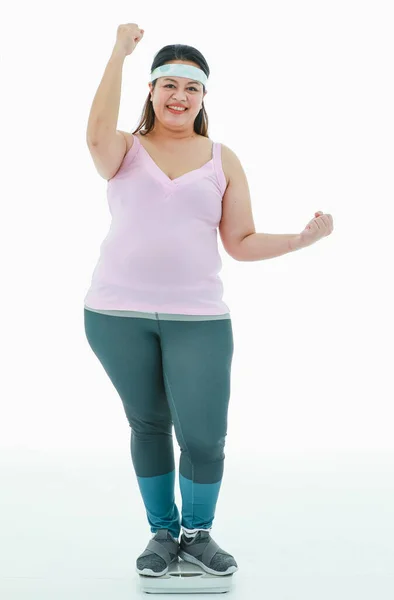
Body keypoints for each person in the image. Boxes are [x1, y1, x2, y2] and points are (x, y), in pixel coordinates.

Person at [83, 24, 334, 579]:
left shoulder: (223, 158)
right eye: (167, 84)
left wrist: (299, 240)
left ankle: (197, 534)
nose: (178, 96)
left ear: (203, 98)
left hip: (197, 320)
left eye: (190, 88)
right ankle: (161, 533)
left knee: (203, 433)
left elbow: (240, 243)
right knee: (149, 424)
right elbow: (95, 135)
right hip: (115, 315)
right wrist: (118, 55)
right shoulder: (124, 148)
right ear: (150, 91)